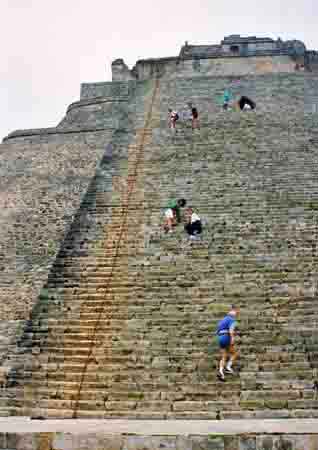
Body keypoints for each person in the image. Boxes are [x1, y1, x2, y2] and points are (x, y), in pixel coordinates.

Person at [216, 307, 239, 381]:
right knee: (234, 354)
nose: (236, 314)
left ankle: (221, 372)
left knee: (224, 356)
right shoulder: (232, 320)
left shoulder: (222, 321)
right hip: (226, 336)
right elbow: (231, 330)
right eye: (236, 313)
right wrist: (232, 338)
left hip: (220, 337)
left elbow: (217, 331)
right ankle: (228, 367)